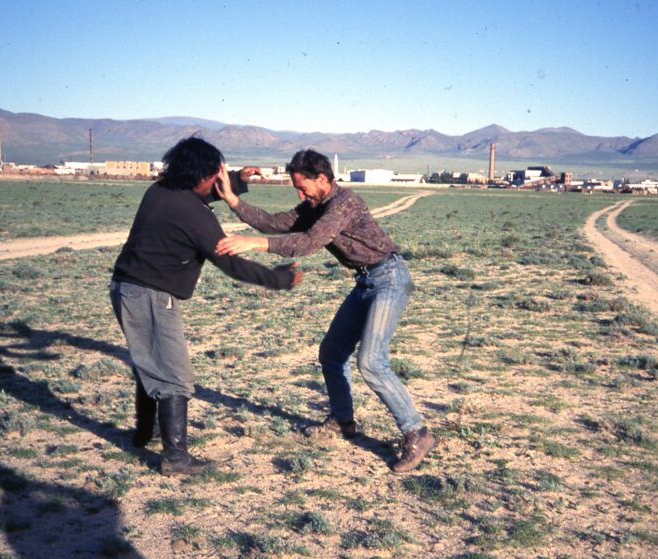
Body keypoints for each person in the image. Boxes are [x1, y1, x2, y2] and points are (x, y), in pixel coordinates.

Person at [214, 149, 437, 473]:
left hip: (389, 278)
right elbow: (276, 223)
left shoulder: (343, 204)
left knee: (371, 361)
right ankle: (342, 420)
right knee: (332, 353)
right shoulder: (316, 205)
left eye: (303, 188)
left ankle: (417, 433)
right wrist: (234, 200)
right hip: (366, 281)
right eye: (296, 189)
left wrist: (253, 244)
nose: (300, 194)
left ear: (322, 179)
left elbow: (307, 242)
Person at [111, 136, 303, 476]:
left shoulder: (160, 191)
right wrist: (279, 279)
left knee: (150, 362)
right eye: (217, 173)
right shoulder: (193, 213)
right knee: (173, 375)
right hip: (151, 296)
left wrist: (238, 181)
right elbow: (230, 263)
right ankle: (175, 459)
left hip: (129, 288)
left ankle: (146, 433)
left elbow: (198, 193)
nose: (219, 178)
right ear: (201, 174)